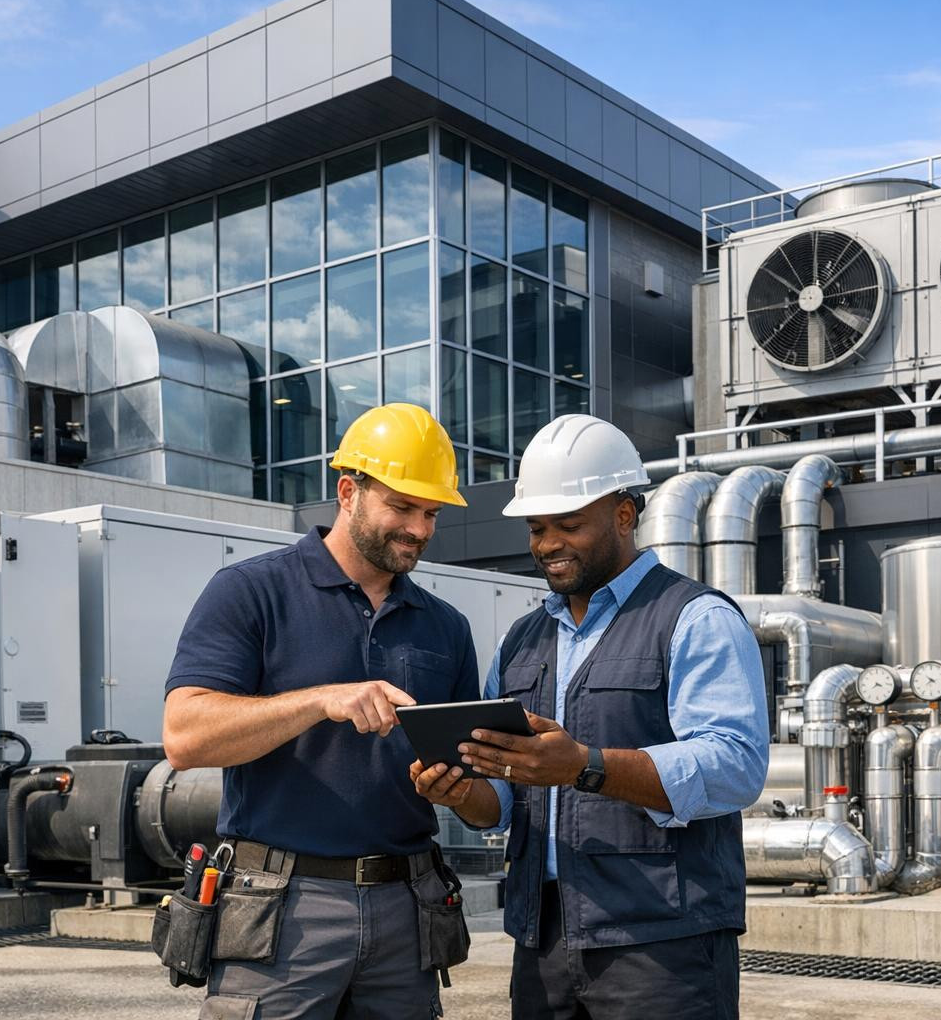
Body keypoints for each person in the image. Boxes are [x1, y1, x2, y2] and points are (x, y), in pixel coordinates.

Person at [419, 414, 769, 1020]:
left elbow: (734, 766)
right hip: (543, 939)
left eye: (569, 524)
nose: (547, 544)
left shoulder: (696, 618)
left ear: (624, 514)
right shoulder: (521, 641)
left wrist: (586, 766)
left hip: (663, 942)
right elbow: (500, 800)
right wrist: (460, 792)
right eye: (537, 528)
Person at [162, 403, 480, 1020]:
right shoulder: (250, 591)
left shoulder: (447, 627)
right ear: (348, 493)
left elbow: (484, 795)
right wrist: (320, 700)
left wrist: (462, 790)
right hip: (281, 912)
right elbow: (185, 736)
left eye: (432, 513)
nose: (419, 529)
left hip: (408, 909)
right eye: (402, 507)